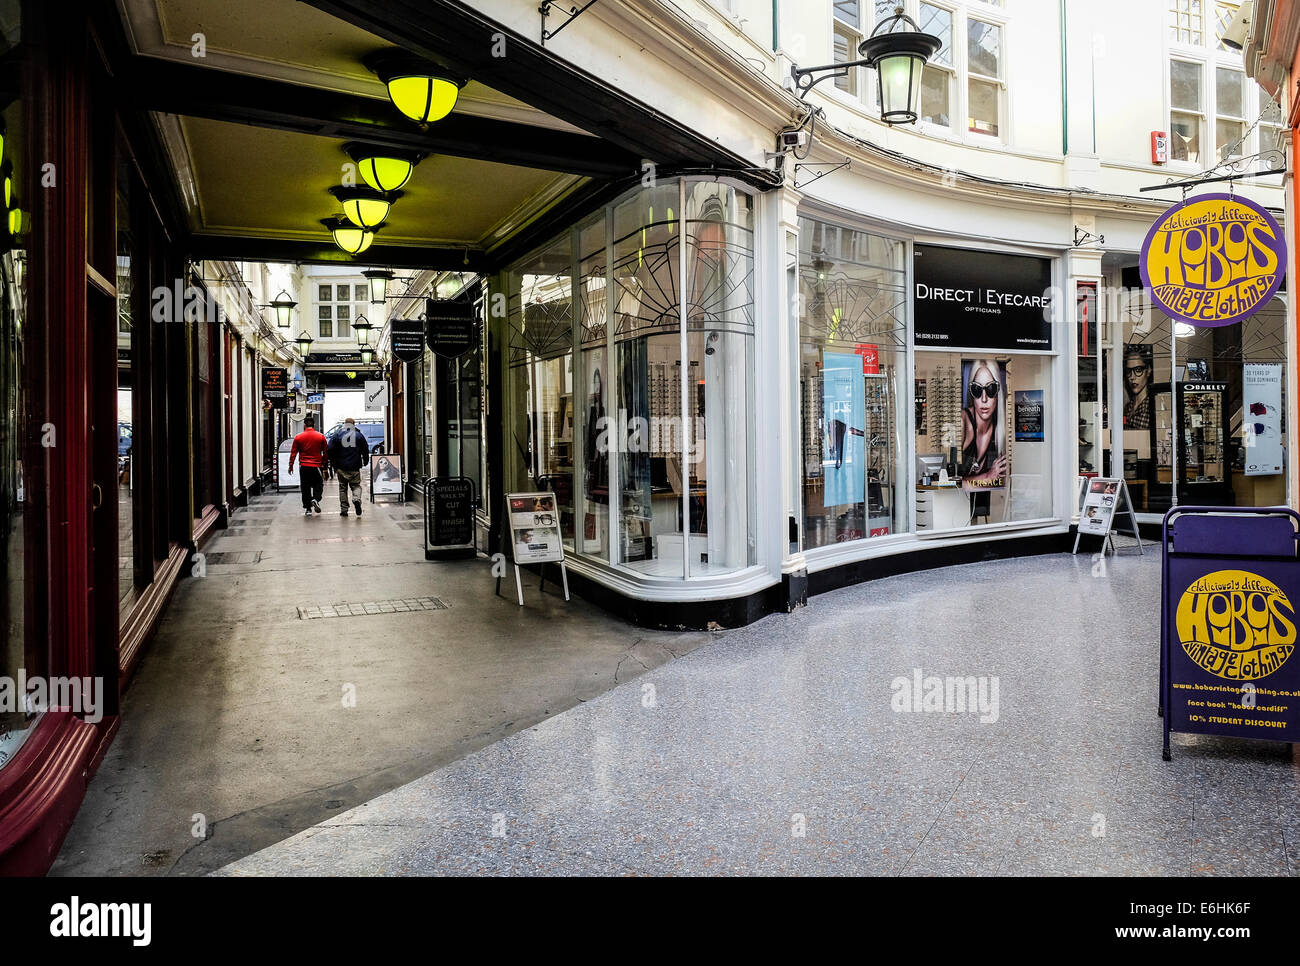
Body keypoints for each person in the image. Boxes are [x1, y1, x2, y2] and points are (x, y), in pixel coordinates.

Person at [960, 360, 1007, 487]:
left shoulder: (1002, 430)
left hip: (989, 502)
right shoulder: (963, 422)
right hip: (956, 503)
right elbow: (946, 481)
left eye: (991, 389)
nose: (984, 399)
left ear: (998, 392)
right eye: (977, 389)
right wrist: (987, 477)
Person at [327, 416, 370, 517]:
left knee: (343, 488)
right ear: (353, 425)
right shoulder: (359, 435)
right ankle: (356, 499)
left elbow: (329, 449)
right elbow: (365, 449)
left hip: (341, 466)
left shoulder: (337, 434)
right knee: (356, 486)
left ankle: (344, 509)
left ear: (344, 424)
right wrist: (366, 461)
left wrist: (333, 463)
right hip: (355, 466)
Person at [288, 415, 328, 516]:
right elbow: (326, 453)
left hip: (304, 466)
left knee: (305, 487)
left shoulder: (298, 437)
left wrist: (291, 465)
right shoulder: (321, 436)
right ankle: (315, 499)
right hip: (316, 466)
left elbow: (293, 453)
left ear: (304, 425)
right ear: (314, 425)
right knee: (318, 485)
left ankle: (308, 509)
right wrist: (325, 467)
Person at [1123, 346, 1153, 430]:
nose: (1132, 377)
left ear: (1148, 370)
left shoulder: (1152, 407)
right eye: (1129, 371)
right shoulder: (1128, 407)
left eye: (1138, 370)